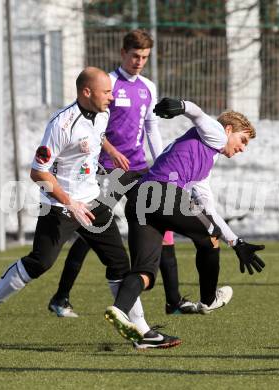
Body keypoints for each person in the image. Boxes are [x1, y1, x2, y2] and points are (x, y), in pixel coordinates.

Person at [0, 67, 180, 350]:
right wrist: (70, 203)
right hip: (59, 205)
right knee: (40, 263)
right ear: (86, 92)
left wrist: (112, 151)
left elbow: (96, 135)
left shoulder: (102, 114)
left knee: (119, 264)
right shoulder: (60, 125)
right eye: (106, 92)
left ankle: (141, 332)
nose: (112, 98)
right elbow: (38, 173)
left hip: (93, 203)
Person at [47, 29, 197, 321]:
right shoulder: (109, 83)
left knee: (160, 220)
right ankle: (61, 297)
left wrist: (162, 161)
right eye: (135, 56)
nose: (139, 62)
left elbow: (152, 128)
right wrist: (112, 150)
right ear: (123, 54)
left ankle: (174, 300)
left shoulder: (148, 87)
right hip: (106, 171)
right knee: (93, 228)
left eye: (144, 57)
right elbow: (91, 126)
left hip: (140, 168)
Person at [104, 98, 266, 342]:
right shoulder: (218, 134)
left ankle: (119, 309)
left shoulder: (204, 163)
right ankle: (208, 301)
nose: (242, 148)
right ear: (229, 130)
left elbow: (209, 212)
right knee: (209, 238)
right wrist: (181, 106)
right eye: (243, 140)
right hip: (162, 194)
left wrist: (237, 242)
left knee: (145, 274)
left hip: (140, 200)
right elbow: (199, 114)